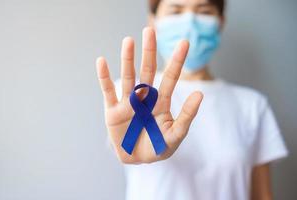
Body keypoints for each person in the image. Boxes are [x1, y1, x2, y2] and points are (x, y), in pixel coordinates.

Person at [96, 0, 289, 199]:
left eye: (204, 11)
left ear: (220, 21)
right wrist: (131, 147)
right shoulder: (134, 95)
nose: (190, 22)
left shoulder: (253, 105)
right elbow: (121, 141)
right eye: (176, 10)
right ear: (153, 21)